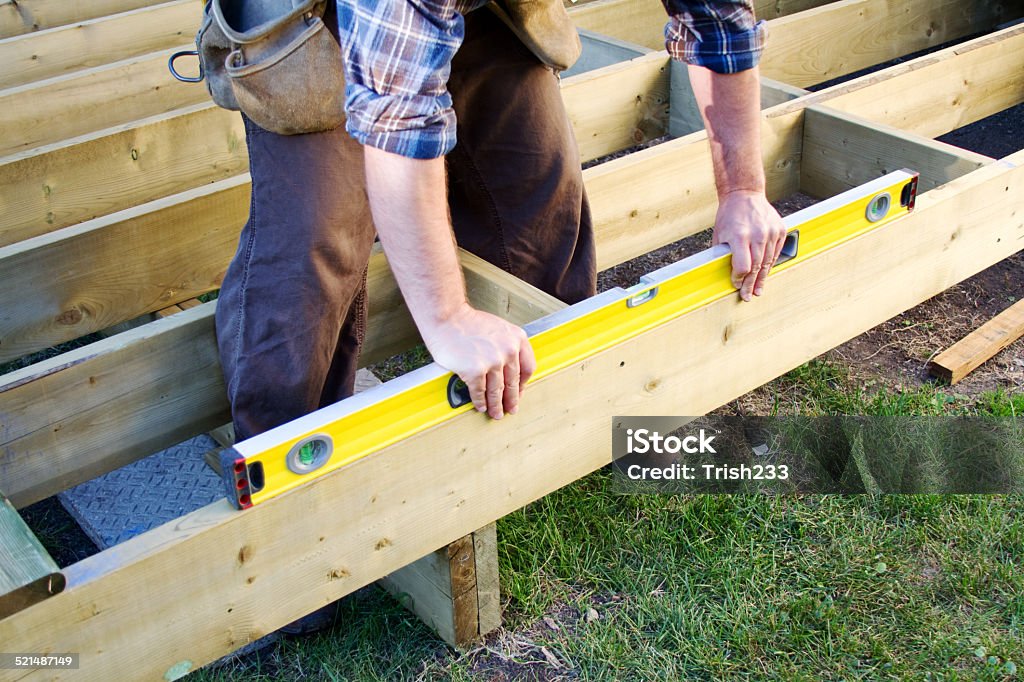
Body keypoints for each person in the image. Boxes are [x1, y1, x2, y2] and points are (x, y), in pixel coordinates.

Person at [213, 0, 785, 631]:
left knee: (533, 190)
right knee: (318, 242)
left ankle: (536, 439)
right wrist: (448, 317)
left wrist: (743, 190)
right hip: (309, 19)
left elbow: (720, 23)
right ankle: (290, 530)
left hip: (466, 11)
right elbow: (398, 114)